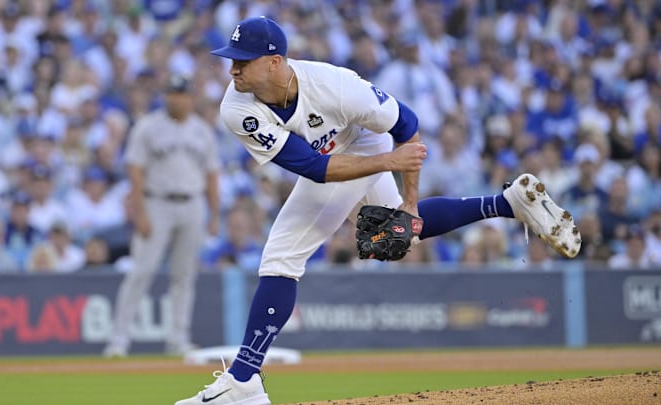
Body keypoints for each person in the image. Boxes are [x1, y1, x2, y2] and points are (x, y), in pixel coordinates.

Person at [174, 16, 581, 405]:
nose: (233, 69)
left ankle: (244, 379)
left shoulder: (335, 85)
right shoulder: (237, 108)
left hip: (364, 142)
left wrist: (410, 197)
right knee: (403, 232)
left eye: (243, 60)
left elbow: (407, 125)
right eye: (232, 59)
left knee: (282, 256)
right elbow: (314, 168)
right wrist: (396, 183)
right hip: (333, 160)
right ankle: (508, 203)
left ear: (275, 61)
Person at [103, 74, 221, 358]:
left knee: (184, 275)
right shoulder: (148, 127)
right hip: (157, 203)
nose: (175, 98)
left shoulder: (202, 130)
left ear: (190, 98)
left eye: (180, 94)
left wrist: (214, 214)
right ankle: (119, 339)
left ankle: (178, 338)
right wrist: (140, 211)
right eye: (171, 93)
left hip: (192, 203)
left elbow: (212, 174)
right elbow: (135, 171)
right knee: (141, 271)